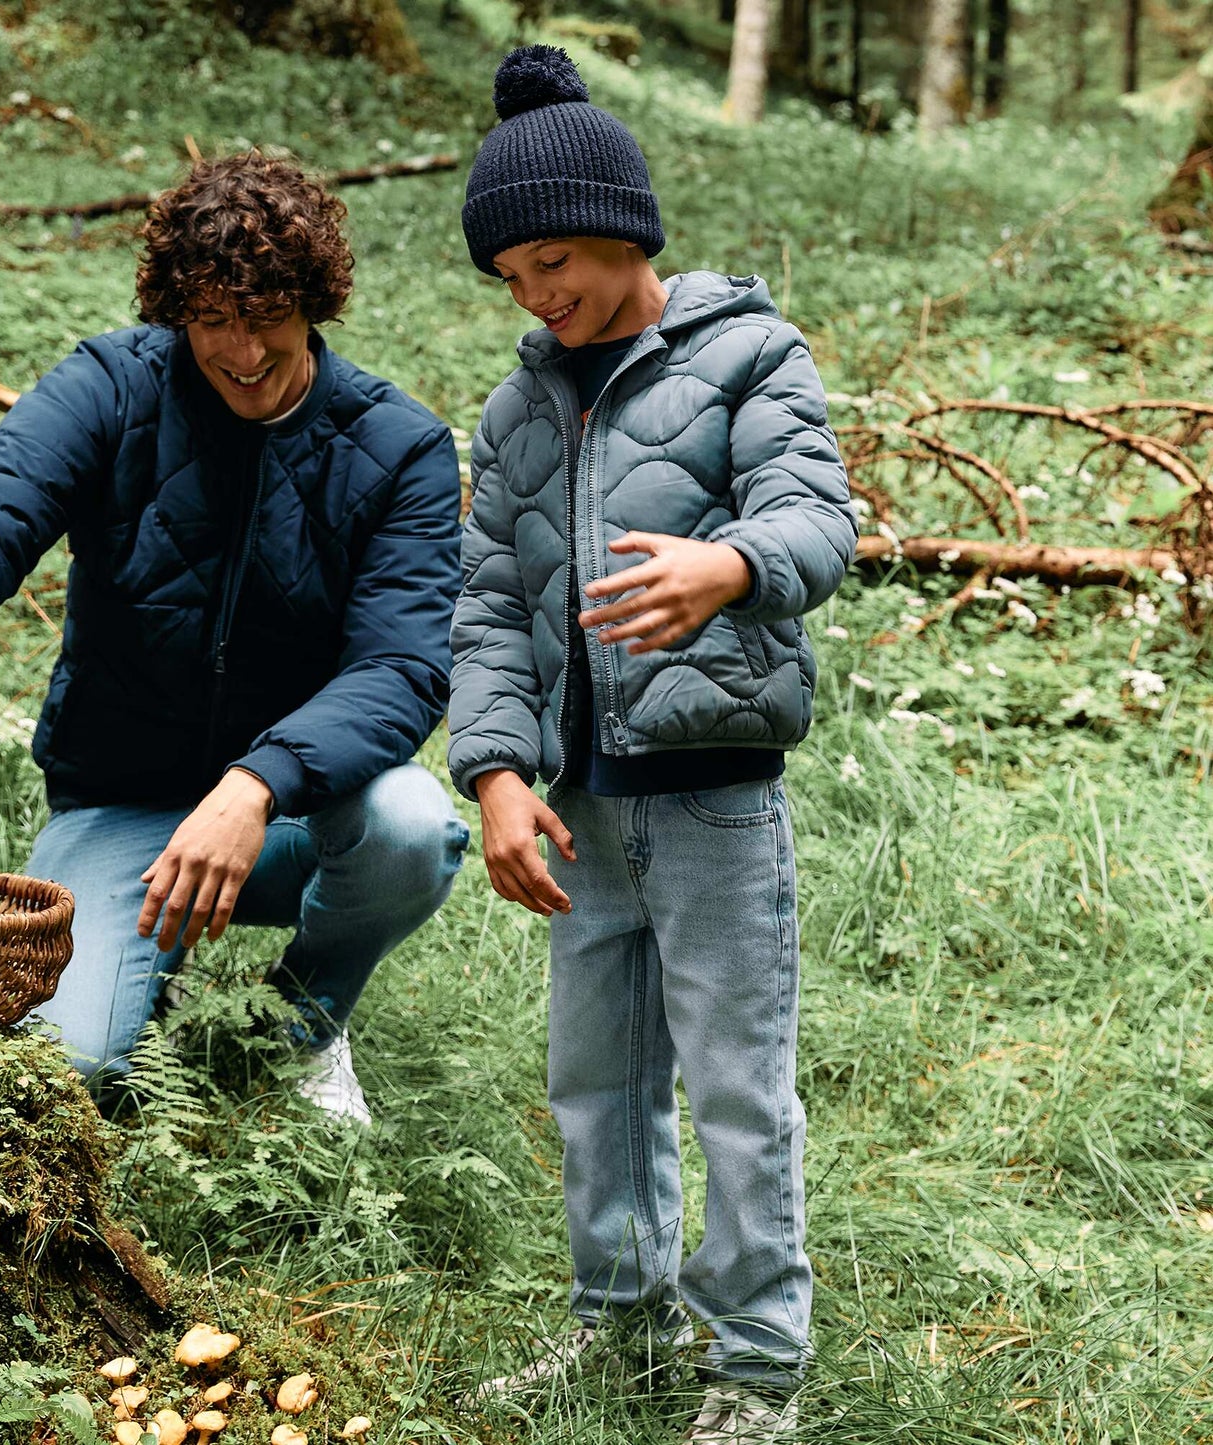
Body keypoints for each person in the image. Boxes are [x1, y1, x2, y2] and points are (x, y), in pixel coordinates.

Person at [0, 151, 470, 1125]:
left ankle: (298, 1025)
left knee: (414, 828)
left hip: (294, 815)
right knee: (67, 1067)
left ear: (316, 303)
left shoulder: (397, 448)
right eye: (212, 320)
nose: (241, 351)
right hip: (122, 806)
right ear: (176, 310)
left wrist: (256, 784)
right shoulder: (111, 386)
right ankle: (142, 979)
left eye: (266, 319)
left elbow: (403, 664)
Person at [448, 47, 857, 1442]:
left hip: (715, 798)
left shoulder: (750, 352)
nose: (537, 293)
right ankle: (613, 1324)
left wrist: (727, 567)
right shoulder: (516, 410)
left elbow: (818, 519)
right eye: (510, 275)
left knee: (738, 1082)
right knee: (596, 1081)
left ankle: (753, 1364)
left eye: (553, 257)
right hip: (577, 809)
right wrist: (498, 775)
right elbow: (492, 608)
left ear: (627, 227)